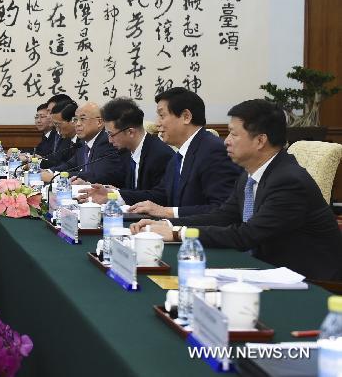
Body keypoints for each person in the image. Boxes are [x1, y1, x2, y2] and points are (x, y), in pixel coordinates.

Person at [132, 100, 342, 281]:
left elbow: (246, 235)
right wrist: (167, 224)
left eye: (233, 134)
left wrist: (178, 233)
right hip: (267, 269)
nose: (226, 141)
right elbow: (223, 216)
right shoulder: (250, 174)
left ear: (260, 140)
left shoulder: (288, 181)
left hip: (310, 282)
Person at [123, 87, 240, 218]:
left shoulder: (213, 151)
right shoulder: (178, 157)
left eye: (162, 116)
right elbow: (162, 195)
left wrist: (168, 212)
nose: (157, 124)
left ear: (186, 117)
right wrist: (117, 195)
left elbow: (222, 209)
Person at [79, 98, 175, 203]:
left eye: (111, 134)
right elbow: (117, 179)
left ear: (130, 132)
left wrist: (117, 195)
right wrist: (91, 186)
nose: (110, 140)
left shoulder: (160, 155)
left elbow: (159, 196)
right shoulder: (126, 151)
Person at [43, 102, 125, 186]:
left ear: (99, 122)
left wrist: (56, 176)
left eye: (82, 119)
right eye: (75, 119)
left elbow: (96, 175)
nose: (77, 124)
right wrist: (49, 171)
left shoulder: (107, 141)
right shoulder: (83, 142)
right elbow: (70, 165)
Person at [39, 100, 81, 169]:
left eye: (58, 124)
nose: (56, 129)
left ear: (73, 121)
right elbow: (57, 161)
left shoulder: (83, 141)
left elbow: (73, 167)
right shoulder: (66, 139)